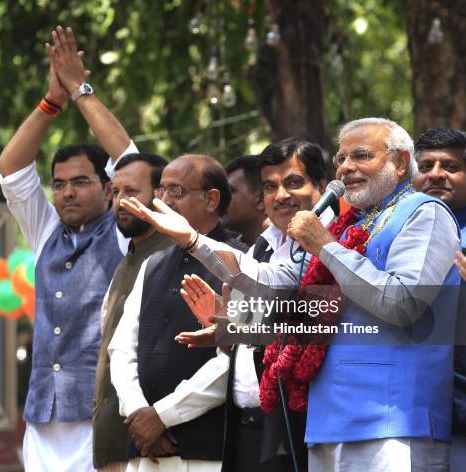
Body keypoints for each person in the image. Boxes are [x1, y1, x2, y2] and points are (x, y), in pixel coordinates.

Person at [121, 117, 461, 471]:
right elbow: (284, 294)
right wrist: (194, 243)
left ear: (401, 161)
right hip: (327, 420)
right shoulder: (350, 229)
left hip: (394, 419)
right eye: (341, 158)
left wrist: (325, 246)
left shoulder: (425, 214)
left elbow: (403, 303)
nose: (346, 167)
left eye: (361, 155)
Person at [0, 25, 139, 471]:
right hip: (43, 420)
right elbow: (11, 167)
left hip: (104, 414)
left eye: (81, 182)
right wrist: (49, 103)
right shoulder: (45, 231)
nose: (67, 193)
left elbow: (131, 162)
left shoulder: (124, 230)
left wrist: (80, 90)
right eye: (59, 184)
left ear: (107, 187)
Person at [188, 138, 332, 471]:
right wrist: (223, 328)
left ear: (322, 186)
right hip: (247, 423)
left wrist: (190, 239)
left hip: (302, 420)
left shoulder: (335, 242)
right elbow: (252, 330)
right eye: (271, 186)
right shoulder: (262, 247)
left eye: (293, 183)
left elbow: (308, 325)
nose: (281, 195)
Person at [108, 154, 248, 472]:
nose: (165, 200)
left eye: (177, 191)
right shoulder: (152, 264)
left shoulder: (241, 261)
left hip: (206, 451)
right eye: (161, 191)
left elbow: (237, 358)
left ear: (211, 199)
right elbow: (121, 350)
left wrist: (163, 415)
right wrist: (140, 414)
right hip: (146, 449)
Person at [93, 152, 174, 472]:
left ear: (160, 195)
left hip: (155, 444)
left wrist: (158, 420)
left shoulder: (171, 256)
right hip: (114, 442)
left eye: (131, 192)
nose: (120, 201)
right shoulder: (127, 261)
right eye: (115, 192)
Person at [413, 127, 466, 471]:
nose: (435, 174)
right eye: (426, 165)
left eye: (449, 165)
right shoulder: (393, 227)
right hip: (410, 413)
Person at [222, 156, 270, 246]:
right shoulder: (228, 250)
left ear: (261, 200)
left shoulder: (293, 250)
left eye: (230, 191)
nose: (221, 198)